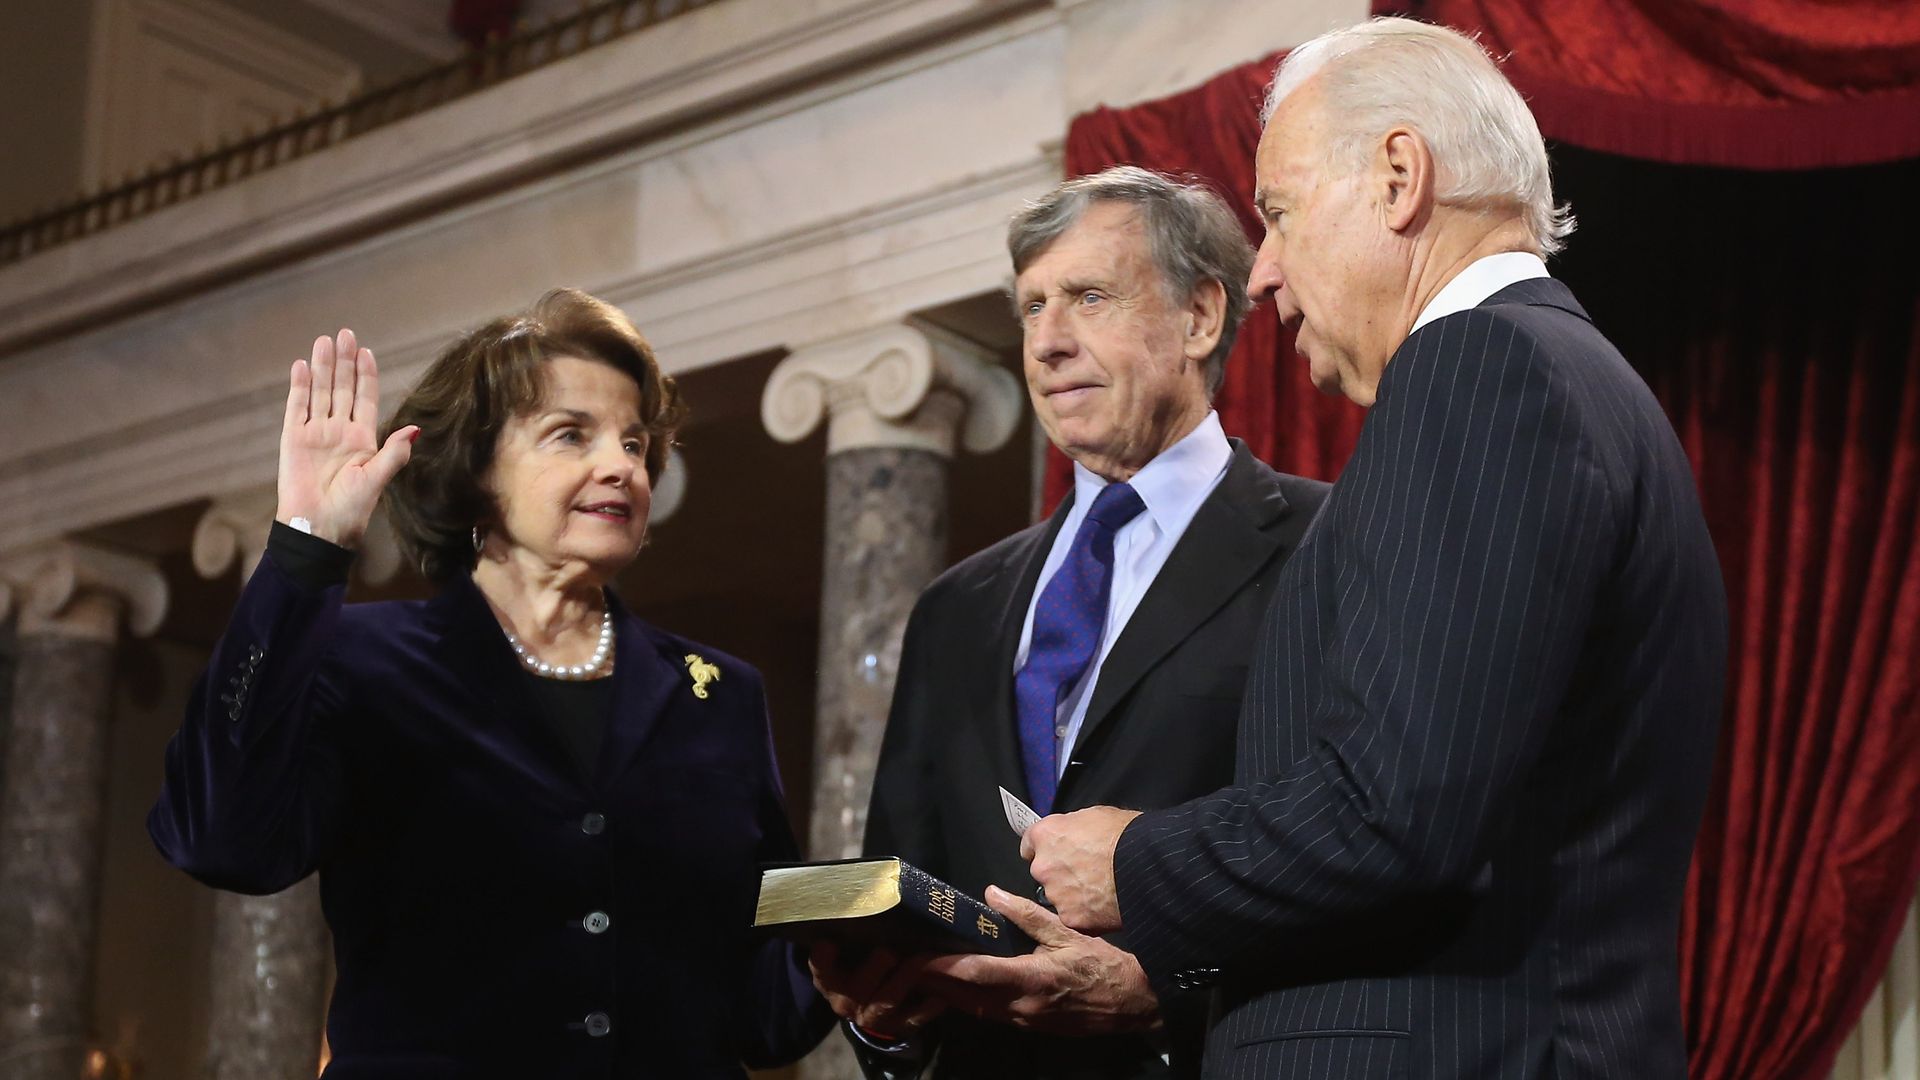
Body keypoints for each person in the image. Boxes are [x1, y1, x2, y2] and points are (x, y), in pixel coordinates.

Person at [1018, 18, 1729, 1079]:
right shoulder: (1565, 375)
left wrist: (1135, 859)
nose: (1263, 274)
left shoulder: (1482, 369)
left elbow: (1396, 811)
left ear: (1400, 176)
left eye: (1279, 214)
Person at [149, 289, 834, 1078]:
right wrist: (308, 547)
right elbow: (218, 836)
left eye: (636, 444)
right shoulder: (364, 662)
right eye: (571, 435)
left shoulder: (718, 696)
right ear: (476, 473)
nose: (621, 465)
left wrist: (853, 977)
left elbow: (761, 1009)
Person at [812, 167, 1329, 1079]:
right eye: (1030, 308)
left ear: (1201, 318)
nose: (1048, 342)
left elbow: (1356, 847)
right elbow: (906, 871)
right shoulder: (955, 607)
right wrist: (885, 1022)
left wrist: (1166, 996)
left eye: (1089, 297)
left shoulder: (1330, 545)